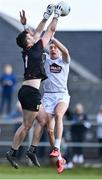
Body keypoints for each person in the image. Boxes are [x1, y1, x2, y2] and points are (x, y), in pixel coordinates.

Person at [6, 4, 63, 169]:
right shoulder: (35, 48)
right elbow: (49, 31)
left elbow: (35, 33)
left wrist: (44, 16)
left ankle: (32, 150)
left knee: (44, 120)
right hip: (31, 93)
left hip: (27, 91)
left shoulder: (27, 50)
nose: (33, 35)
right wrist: (56, 16)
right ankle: (12, 152)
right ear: (29, 43)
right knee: (26, 125)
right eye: (30, 36)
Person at [29, 36, 71, 174]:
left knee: (59, 115)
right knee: (48, 129)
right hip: (48, 95)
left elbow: (66, 51)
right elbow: (33, 46)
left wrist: (53, 38)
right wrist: (25, 27)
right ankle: (59, 158)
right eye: (51, 47)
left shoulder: (63, 61)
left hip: (61, 95)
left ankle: (57, 147)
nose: (53, 49)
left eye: (55, 48)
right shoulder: (45, 58)